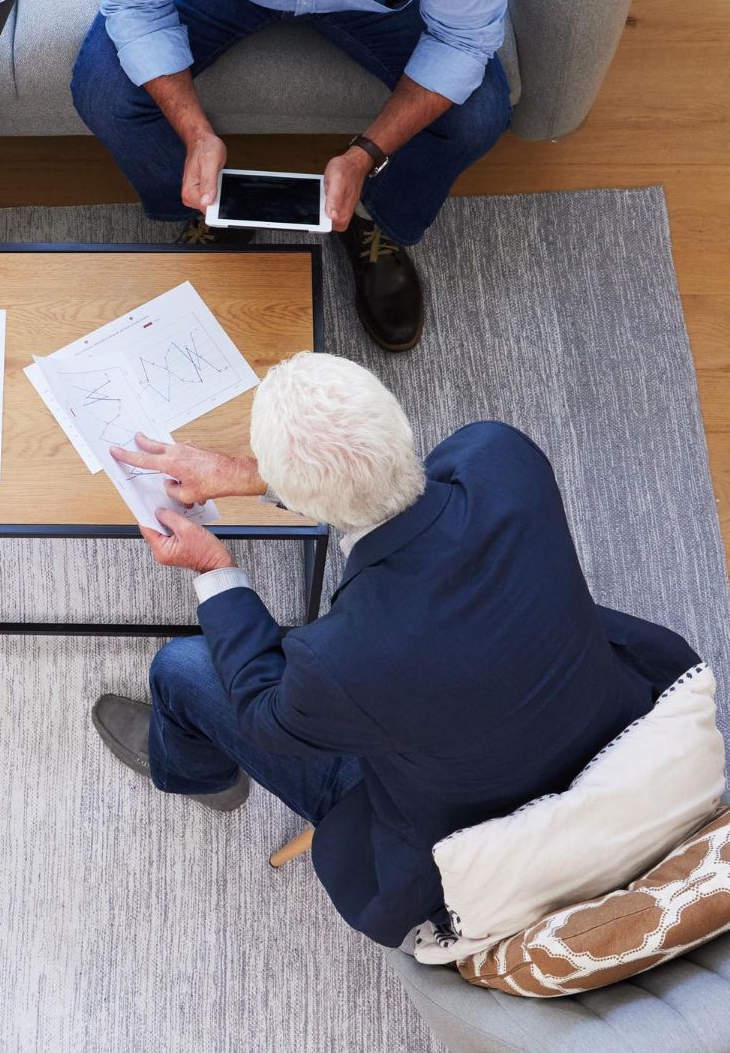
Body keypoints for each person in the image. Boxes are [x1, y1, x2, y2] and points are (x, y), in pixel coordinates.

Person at [91, 352, 701, 949]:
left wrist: (213, 566)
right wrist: (255, 473)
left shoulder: (341, 661)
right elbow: (424, 478)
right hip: (605, 726)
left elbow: (261, 711)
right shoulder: (502, 456)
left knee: (178, 670)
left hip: (466, 836)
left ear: (304, 502)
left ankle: (200, 777)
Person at [70, 0, 515, 353]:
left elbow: (464, 38)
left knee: (481, 110)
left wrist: (366, 154)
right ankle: (211, 209)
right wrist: (196, 133)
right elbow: (133, 2)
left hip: (368, 0)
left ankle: (375, 220)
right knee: (101, 84)